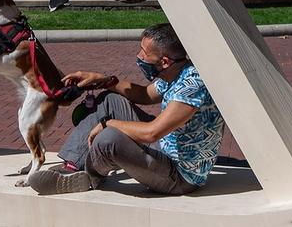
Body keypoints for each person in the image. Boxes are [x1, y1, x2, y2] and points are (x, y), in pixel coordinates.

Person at [25, 23, 225, 196]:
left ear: (164, 61)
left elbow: (152, 133)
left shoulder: (191, 86)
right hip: (165, 149)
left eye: (144, 53)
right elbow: (145, 94)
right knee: (110, 100)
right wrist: (104, 81)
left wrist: (107, 124)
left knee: (109, 139)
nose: (139, 57)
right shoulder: (175, 71)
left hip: (179, 176)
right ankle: (71, 166)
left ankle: (88, 177)